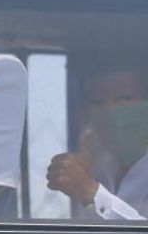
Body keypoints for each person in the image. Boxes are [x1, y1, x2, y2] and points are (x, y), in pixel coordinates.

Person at [47, 69, 148, 220]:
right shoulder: (97, 169)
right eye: (99, 103)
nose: (112, 111)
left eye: (124, 99)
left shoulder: (87, 183)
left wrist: (90, 192)